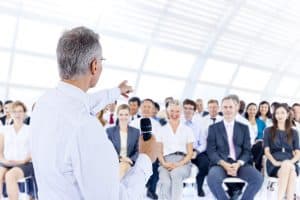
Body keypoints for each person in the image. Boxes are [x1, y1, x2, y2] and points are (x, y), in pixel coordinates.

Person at [30, 26, 157, 200]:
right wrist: (146, 158)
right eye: (102, 61)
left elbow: (87, 102)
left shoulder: (44, 103)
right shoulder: (85, 127)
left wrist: (116, 91)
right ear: (94, 65)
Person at [206, 95, 263, 200]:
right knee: (212, 179)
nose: (228, 110)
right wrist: (224, 164)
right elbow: (211, 151)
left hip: (240, 164)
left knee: (258, 178)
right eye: (225, 107)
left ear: (236, 108)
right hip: (220, 164)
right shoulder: (213, 128)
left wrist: (239, 163)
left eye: (230, 107)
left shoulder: (244, 128)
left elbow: (247, 150)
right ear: (221, 109)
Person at [157, 100, 194, 200]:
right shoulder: (161, 130)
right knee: (166, 182)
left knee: (175, 173)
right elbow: (159, 151)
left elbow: (190, 153)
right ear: (168, 112)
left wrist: (178, 164)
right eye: (172, 111)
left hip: (183, 162)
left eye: (177, 111)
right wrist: (164, 164)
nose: (174, 114)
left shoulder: (188, 130)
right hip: (165, 161)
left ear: (181, 112)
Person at [264, 103, 300, 200]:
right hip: (274, 164)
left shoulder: (294, 132)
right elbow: (266, 151)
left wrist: (289, 162)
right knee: (291, 172)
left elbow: (298, 153)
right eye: (277, 113)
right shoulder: (268, 130)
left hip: (290, 162)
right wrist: (275, 162)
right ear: (274, 115)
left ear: (288, 114)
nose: (279, 115)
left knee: (288, 167)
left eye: (282, 113)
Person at [0, 101, 33, 200]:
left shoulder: (30, 130)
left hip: (25, 163)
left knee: (10, 176)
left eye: (20, 111)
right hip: (7, 162)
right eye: (14, 112)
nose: (17, 114)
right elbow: (0, 151)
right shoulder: (4, 130)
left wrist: (23, 161)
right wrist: (4, 161)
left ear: (25, 113)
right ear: (11, 113)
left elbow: (34, 152)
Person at [181, 99, 208, 197]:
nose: (188, 111)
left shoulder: (199, 124)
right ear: (182, 109)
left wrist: (196, 152)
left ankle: (199, 186)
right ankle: (180, 184)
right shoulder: (177, 122)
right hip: (181, 152)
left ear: (194, 111)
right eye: (186, 108)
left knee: (205, 163)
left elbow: (203, 143)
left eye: (190, 109)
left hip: (195, 151)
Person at [106, 104, 140, 178]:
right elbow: (108, 149)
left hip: (129, 162)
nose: (123, 117)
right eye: (121, 114)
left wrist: (131, 159)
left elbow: (138, 150)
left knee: (123, 165)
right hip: (113, 161)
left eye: (126, 114)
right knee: (122, 166)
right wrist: (120, 158)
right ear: (117, 115)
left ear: (129, 116)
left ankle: (114, 187)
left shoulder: (136, 132)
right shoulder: (110, 131)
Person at [244, 103, 266, 171]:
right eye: (250, 109)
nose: (252, 111)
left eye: (254, 109)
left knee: (260, 145)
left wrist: (259, 139)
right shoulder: (243, 121)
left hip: (258, 144)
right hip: (246, 144)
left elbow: (264, 135)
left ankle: (254, 164)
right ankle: (254, 166)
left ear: (256, 111)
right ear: (247, 110)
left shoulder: (261, 123)